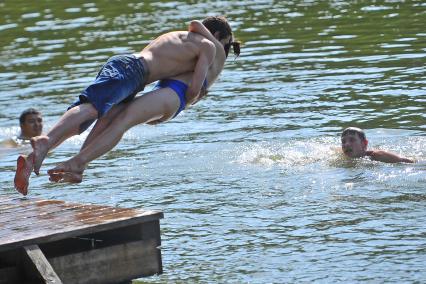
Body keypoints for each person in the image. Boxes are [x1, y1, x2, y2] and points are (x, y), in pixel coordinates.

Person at [14, 16, 240, 194]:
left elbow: (194, 25)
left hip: (134, 72)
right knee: (97, 111)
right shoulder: (208, 46)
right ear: (217, 36)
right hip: (134, 70)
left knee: (102, 115)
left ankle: (64, 158)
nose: (225, 52)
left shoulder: (189, 39)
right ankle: (54, 152)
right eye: (226, 44)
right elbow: (193, 87)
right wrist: (183, 105)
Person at [341, 127, 414, 163]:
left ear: (364, 144)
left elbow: (407, 161)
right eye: (343, 141)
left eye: (352, 140)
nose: (346, 144)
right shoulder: (341, 154)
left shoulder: (378, 155)